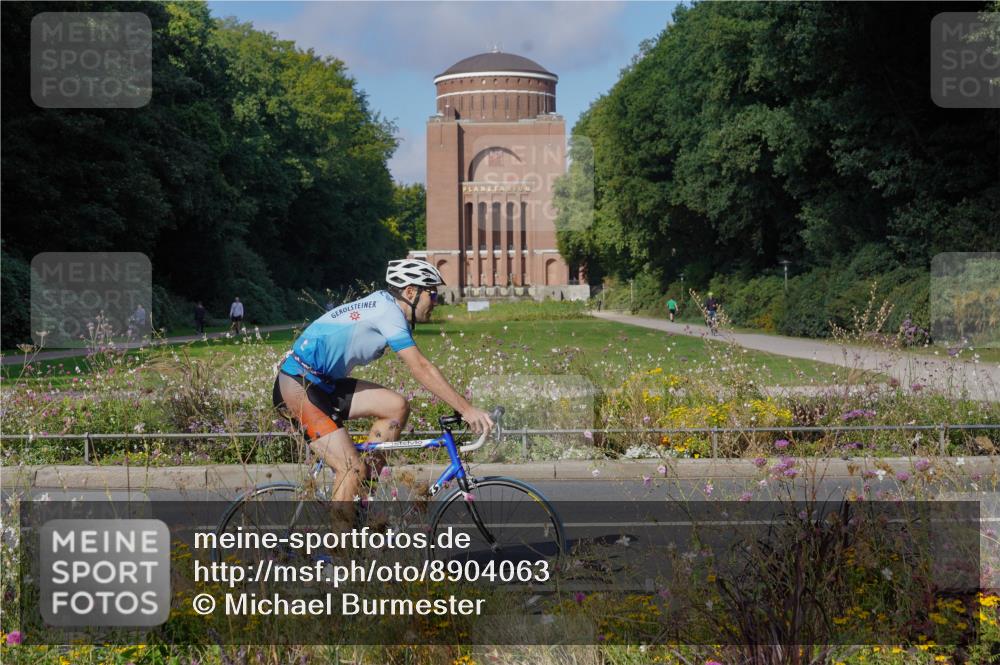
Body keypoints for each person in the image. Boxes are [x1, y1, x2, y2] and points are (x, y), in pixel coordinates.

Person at [273, 259, 494, 509]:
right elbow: (420, 367)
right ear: (410, 292)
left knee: (396, 406)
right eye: (432, 294)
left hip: (322, 384)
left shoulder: (384, 305)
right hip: (297, 384)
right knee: (350, 468)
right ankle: (340, 546)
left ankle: (362, 495)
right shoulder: (387, 312)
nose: (435, 302)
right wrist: (467, 409)